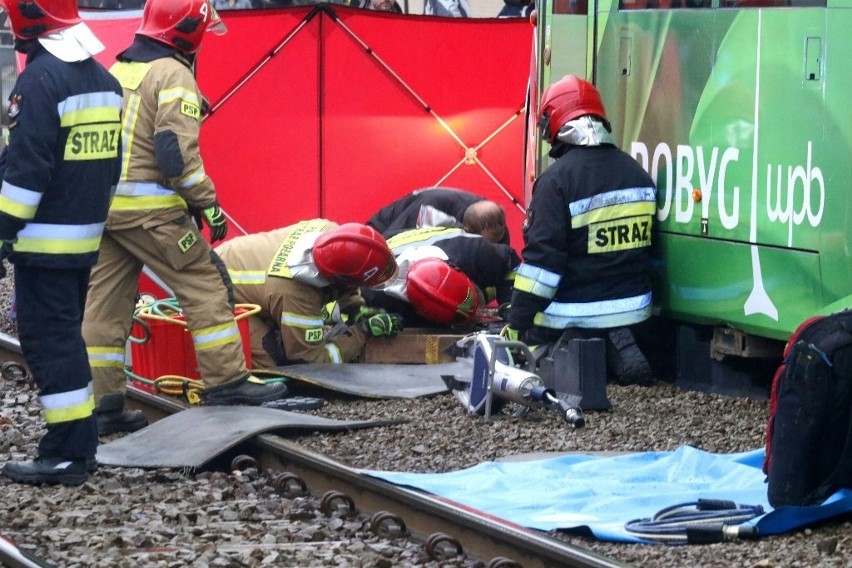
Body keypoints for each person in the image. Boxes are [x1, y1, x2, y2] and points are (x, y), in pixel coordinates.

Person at [82, 0, 287, 437]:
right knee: (205, 282)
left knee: (105, 305)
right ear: (188, 32)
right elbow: (175, 155)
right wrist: (208, 203)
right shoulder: (174, 74)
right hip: (152, 213)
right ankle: (227, 381)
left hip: (106, 211)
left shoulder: (121, 70)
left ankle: (103, 406)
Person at [0, 0, 123, 486]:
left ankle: (67, 453)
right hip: (83, 240)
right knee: (65, 339)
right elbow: (108, 170)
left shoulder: (39, 83)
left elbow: (28, 174)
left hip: (43, 245)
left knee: (51, 345)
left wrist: (2, 231)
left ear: (31, 18)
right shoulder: (104, 82)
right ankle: (78, 446)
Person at [506, 75, 657, 384]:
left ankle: (562, 355)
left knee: (527, 343)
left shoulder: (556, 182)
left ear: (556, 123)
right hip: (635, 313)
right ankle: (615, 346)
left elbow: (541, 270)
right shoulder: (637, 173)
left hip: (574, 314)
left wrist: (516, 321)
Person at [214, 220, 402, 369]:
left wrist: (355, 307)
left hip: (235, 265)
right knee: (275, 362)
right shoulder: (298, 294)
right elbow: (311, 362)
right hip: (217, 293)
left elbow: (345, 276)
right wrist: (362, 332)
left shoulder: (332, 233)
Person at [362, 226, 519, 326]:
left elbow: (511, 261)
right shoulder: (378, 298)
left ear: (459, 270)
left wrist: (510, 308)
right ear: (419, 310)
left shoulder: (475, 252)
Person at [366, 187, 509, 245]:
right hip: (382, 233)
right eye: (482, 242)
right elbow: (389, 241)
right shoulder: (428, 209)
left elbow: (500, 253)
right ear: (467, 229)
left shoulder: (494, 220)